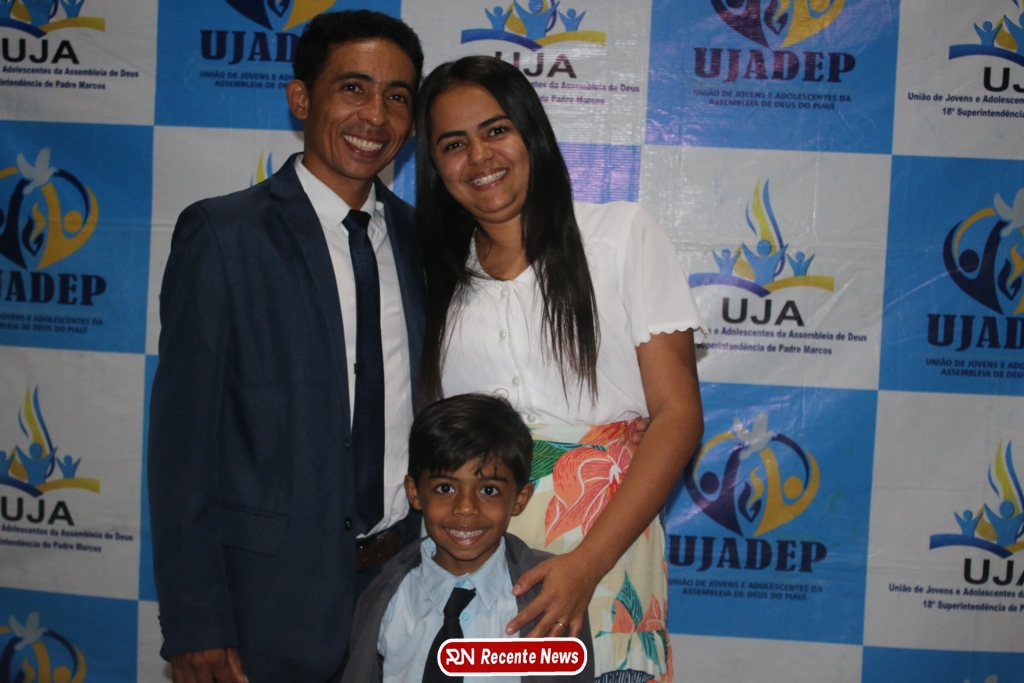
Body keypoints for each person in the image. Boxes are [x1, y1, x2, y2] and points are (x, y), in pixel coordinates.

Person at [148, 10, 425, 683]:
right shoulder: (224, 235)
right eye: (353, 88)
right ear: (301, 98)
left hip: (404, 588)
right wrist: (195, 620)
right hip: (265, 604)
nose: (376, 115)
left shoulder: (424, 241)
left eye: (396, 96)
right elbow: (182, 448)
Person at [414, 56, 705, 681]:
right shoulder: (432, 276)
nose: (480, 157)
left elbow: (677, 416)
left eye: (496, 130)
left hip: (606, 546)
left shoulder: (621, 235)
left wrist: (587, 565)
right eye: (453, 144)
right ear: (435, 166)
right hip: (473, 551)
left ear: (531, 134)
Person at [342, 393, 594, 683]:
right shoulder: (384, 597)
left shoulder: (551, 597)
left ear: (520, 498)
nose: (465, 508)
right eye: (445, 488)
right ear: (414, 492)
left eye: (488, 490)